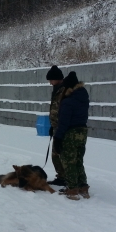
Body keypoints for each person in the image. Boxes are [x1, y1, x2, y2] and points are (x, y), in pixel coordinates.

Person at [53, 71, 90, 200]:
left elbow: (64, 122)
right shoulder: (83, 97)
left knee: (69, 162)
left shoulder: (68, 101)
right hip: (82, 131)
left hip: (70, 133)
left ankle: (72, 190)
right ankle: (83, 188)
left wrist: (58, 137)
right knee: (79, 160)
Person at [46, 65, 66, 186]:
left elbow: (64, 111)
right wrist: (52, 126)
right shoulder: (57, 89)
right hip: (56, 127)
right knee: (55, 156)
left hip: (63, 128)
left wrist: (59, 128)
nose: (50, 83)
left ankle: (68, 179)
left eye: (51, 80)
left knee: (62, 155)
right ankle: (61, 177)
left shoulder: (64, 91)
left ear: (57, 79)